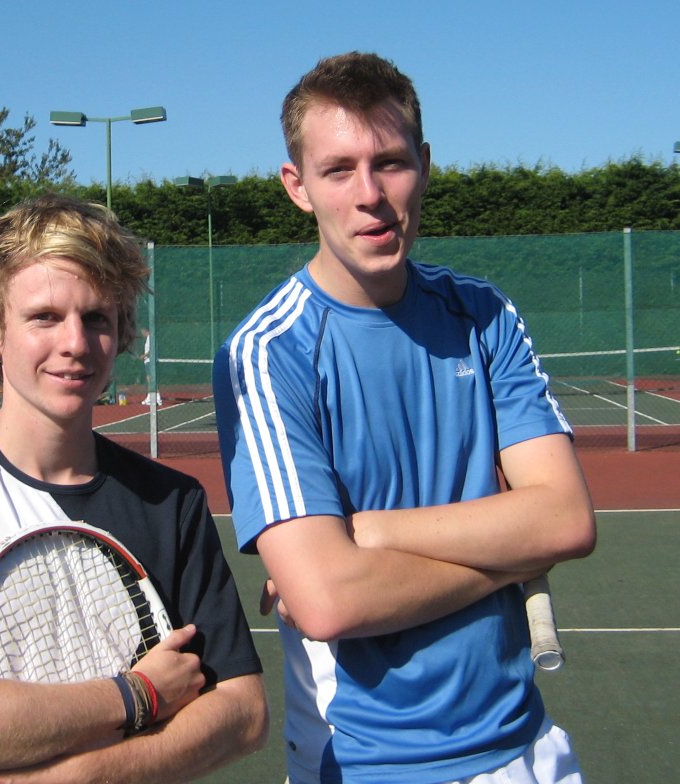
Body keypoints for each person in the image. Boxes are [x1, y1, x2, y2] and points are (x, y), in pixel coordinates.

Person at [213, 52, 596, 784]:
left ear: (425, 165)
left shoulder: (483, 315)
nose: (371, 196)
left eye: (390, 163)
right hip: (367, 762)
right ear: (297, 187)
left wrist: (371, 533)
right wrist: (513, 550)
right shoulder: (266, 354)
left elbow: (568, 520)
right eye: (338, 170)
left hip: (526, 747)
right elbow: (327, 601)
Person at [0, 194, 268, 784]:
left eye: (97, 317)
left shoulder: (171, 501)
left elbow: (243, 712)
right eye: (44, 317)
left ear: (121, 332)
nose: (75, 342)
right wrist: (137, 694)